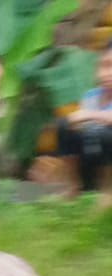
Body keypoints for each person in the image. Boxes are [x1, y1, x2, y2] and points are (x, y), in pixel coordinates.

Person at [56, 41, 112, 206]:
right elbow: (80, 124)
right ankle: (73, 186)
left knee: (106, 135)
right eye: (103, 66)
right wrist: (73, 124)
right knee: (63, 124)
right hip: (93, 151)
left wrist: (90, 114)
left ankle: (108, 191)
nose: (105, 73)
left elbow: (86, 116)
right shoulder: (91, 95)